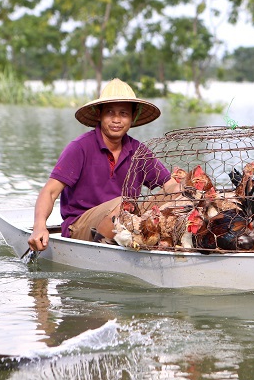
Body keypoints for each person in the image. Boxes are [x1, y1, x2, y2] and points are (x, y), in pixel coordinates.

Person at [27, 78, 180, 251]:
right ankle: (112, 249)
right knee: (122, 203)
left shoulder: (138, 151)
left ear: (132, 117)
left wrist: (184, 190)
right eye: (110, 113)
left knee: (177, 196)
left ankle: (151, 241)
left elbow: (170, 185)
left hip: (126, 220)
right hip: (81, 225)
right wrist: (40, 226)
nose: (116, 120)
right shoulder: (80, 147)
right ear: (99, 115)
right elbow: (50, 191)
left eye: (123, 113)